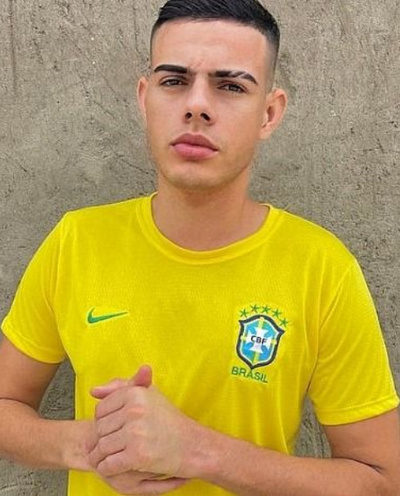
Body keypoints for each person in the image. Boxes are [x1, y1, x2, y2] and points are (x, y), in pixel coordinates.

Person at [0, 0, 399, 495]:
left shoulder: (322, 268)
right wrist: (93, 446)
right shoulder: (77, 241)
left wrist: (197, 452)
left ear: (269, 113)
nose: (197, 106)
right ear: (145, 98)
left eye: (230, 86)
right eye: (174, 81)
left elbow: (382, 479)